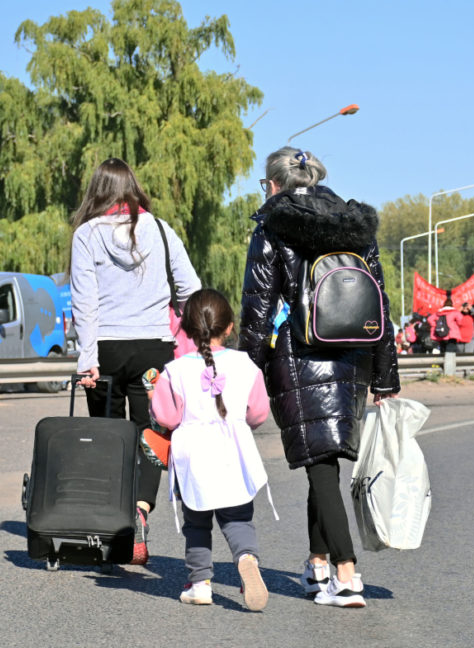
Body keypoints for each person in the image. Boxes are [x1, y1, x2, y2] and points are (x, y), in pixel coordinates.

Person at [239, 146, 399, 608]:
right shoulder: (354, 225)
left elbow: (258, 307)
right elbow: (381, 304)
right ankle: (317, 565)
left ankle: (347, 574)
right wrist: (385, 377)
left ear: (273, 184)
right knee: (323, 459)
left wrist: (244, 372)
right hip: (353, 354)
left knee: (320, 463)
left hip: (300, 352)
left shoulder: (273, 225)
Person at [69, 157, 201, 565]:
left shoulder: (87, 235)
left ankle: (110, 527)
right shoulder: (161, 230)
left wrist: (87, 360)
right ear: (133, 189)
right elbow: (191, 289)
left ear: (98, 190)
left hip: (105, 350)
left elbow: (83, 303)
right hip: (152, 351)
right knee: (151, 435)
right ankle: (140, 511)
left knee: (108, 437)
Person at [149, 289, 272, 610]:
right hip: (235, 451)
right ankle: (246, 557)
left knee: (197, 522)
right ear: (230, 327)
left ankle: (200, 583)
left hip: (194, 455)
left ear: (186, 330)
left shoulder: (173, 370)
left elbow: (167, 417)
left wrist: (153, 396)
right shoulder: (246, 364)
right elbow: (258, 412)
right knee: (238, 518)